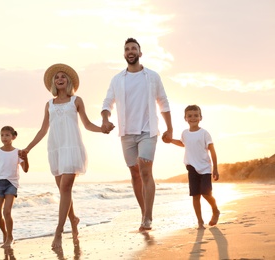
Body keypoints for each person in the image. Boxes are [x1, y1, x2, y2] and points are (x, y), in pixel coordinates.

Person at [20, 63, 111, 249]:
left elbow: (86, 124)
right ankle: (73, 220)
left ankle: (58, 232)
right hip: (55, 148)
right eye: (57, 77)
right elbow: (43, 129)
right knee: (63, 192)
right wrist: (28, 148)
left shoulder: (76, 101)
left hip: (72, 147)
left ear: (68, 81)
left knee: (66, 188)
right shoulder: (49, 104)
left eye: (63, 77)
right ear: (53, 82)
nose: (60, 79)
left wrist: (102, 129)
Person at [101, 38, 173, 231]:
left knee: (145, 170)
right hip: (126, 133)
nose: (130, 51)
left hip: (148, 130)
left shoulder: (152, 76)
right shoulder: (117, 79)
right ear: (124, 54)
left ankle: (148, 217)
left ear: (140, 53)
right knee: (134, 174)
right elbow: (107, 102)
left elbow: (163, 102)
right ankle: (143, 213)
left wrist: (170, 128)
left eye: (134, 48)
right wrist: (105, 119)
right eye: (127, 49)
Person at [167, 105, 220, 229]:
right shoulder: (185, 133)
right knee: (195, 195)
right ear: (185, 118)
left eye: (196, 115)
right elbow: (183, 143)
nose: (193, 118)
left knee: (206, 194)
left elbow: (212, 151)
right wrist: (170, 140)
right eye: (190, 116)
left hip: (205, 168)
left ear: (200, 117)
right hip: (191, 167)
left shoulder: (204, 133)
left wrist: (215, 168)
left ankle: (215, 210)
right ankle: (200, 222)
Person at [0, 126, 29, 248]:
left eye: (7, 135)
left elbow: (25, 169)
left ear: (13, 137)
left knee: (7, 211)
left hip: (11, 183)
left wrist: (25, 158)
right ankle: (5, 234)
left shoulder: (18, 152)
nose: (4, 137)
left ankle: (10, 237)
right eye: (2, 135)